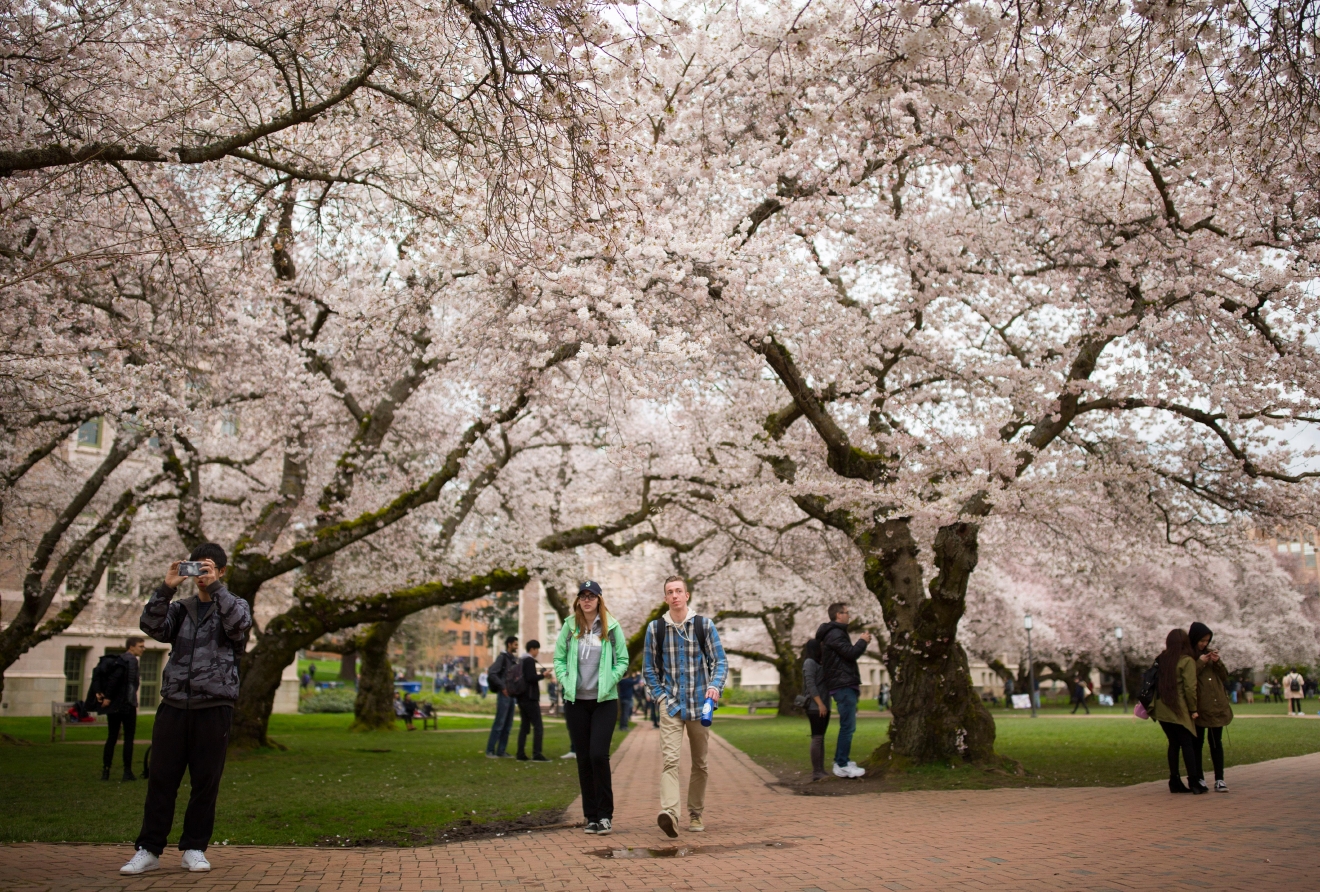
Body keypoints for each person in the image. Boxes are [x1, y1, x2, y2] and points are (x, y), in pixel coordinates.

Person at [120, 544, 253, 875]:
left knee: (205, 781)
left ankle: (194, 847)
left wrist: (217, 589)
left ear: (221, 571)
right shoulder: (180, 610)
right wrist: (165, 587)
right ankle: (149, 849)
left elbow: (238, 627)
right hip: (175, 704)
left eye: (209, 569)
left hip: (215, 706)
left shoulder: (235, 605)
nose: (202, 576)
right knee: (161, 779)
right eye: (198, 569)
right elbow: (151, 626)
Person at [643, 575, 728, 838]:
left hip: (700, 705)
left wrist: (714, 687)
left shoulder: (704, 625)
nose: (675, 595)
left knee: (700, 763)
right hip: (671, 706)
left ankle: (695, 813)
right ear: (665, 598)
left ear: (687, 595)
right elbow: (649, 668)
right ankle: (670, 813)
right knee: (670, 761)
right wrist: (660, 697)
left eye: (679, 591)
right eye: (670, 592)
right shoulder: (656, 629)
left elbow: (720, 662)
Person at [553, 580, 629, 836]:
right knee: (583, 758)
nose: (587, 600)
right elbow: (559, 658)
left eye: (592, 596)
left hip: (604, 701)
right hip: (576, 702)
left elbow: (623, 659)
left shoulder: (612, 626)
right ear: (578, 600)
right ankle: (591, 816)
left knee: (598, 754)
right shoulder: (569, 626)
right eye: (583, 596)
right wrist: (565, 680)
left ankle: (605, 815)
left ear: (599, 599)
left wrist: (610, 680)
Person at [815, 603, 871, 778]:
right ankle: (841, 764)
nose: (849, 616)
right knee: (848, 726)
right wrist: (863, 641)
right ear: (838, 615)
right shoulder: (834, 634)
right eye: (847, 613)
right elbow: (851, 653)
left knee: (848, 725)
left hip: (845, 683)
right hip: (842, 685)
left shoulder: (835, 633)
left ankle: (843, 760)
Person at [1152, 628, 1204, 795]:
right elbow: (1190, 687)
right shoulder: (1186, 661)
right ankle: (1194, 781)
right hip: (1178, 707)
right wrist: (1193, 709)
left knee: (1173, 744)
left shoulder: (1162, 659)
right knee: (1187, 743)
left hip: (1162, 708)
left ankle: (1174, 780)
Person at [1189, 622, 1233, 792]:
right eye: (1202, 641)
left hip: (1216, 706)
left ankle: (1219, 778)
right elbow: (1188, 677)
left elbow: (1224, 677)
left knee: (1216, 743)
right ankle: (1199, 777)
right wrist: (1199, 662)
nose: (1204, 644)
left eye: (1207, 641)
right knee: (1197, 744)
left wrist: (1217, 662)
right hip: (1199, 708)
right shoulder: (1189, 657)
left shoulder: (1210, 655)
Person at [98, 637, 146, 781]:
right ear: (131, 647)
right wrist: (129, 701)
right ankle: (127, 771)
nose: (143, 649)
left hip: (116, 704)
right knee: (128, 738)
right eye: (140, 646)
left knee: (111, 737)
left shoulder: (120, 660)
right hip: (126, 704)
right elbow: (127, 683)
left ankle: (106, 770)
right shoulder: (130, 660)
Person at [801, 639, 831, 782]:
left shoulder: (819, 663)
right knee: (817, 737)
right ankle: (816, 772)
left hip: (824, 705)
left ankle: (821, 769)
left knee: (821, 738)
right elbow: (810, 685)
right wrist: (820, 703)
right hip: (815, 707)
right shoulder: (809, 663)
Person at [484, 636, 519, 758]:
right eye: (515, 644)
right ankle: (490, 750)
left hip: (512, 695)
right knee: (499, 723)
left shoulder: (513, 660)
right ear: (509, 644)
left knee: (508, 725)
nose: (517, 647)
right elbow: (492, 672)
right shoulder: (502, 658)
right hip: (504, 695)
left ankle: (501, 751)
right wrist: (503, 687)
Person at [516, 640, 549, 761]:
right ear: (532, 649)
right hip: (530, 697)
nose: (537, 652)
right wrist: (543, 675)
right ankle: (537, 753)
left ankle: (520, 753)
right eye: (537, 649)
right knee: (538, 726)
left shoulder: (521, 660)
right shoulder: (529, 660)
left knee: (524, 726)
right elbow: (530, 678)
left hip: (521, 697)